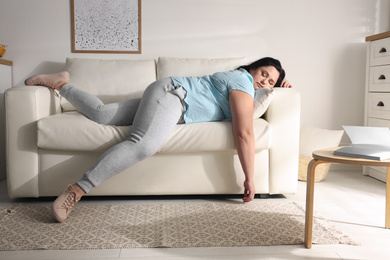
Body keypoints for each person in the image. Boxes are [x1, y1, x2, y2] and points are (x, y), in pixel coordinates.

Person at [24, 57, 292, 222]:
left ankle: (61, 83)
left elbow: (254, 108)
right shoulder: (242, 80)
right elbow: (244, 131)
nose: (264, 82)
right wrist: (249, 177)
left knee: (102, 114)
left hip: (168, 98)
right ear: (252, 70)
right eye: (263, 74)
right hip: (173, 95)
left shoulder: (250, 89)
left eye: (271, 82)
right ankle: (76, 190)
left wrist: (282, 89)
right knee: (143, 144)